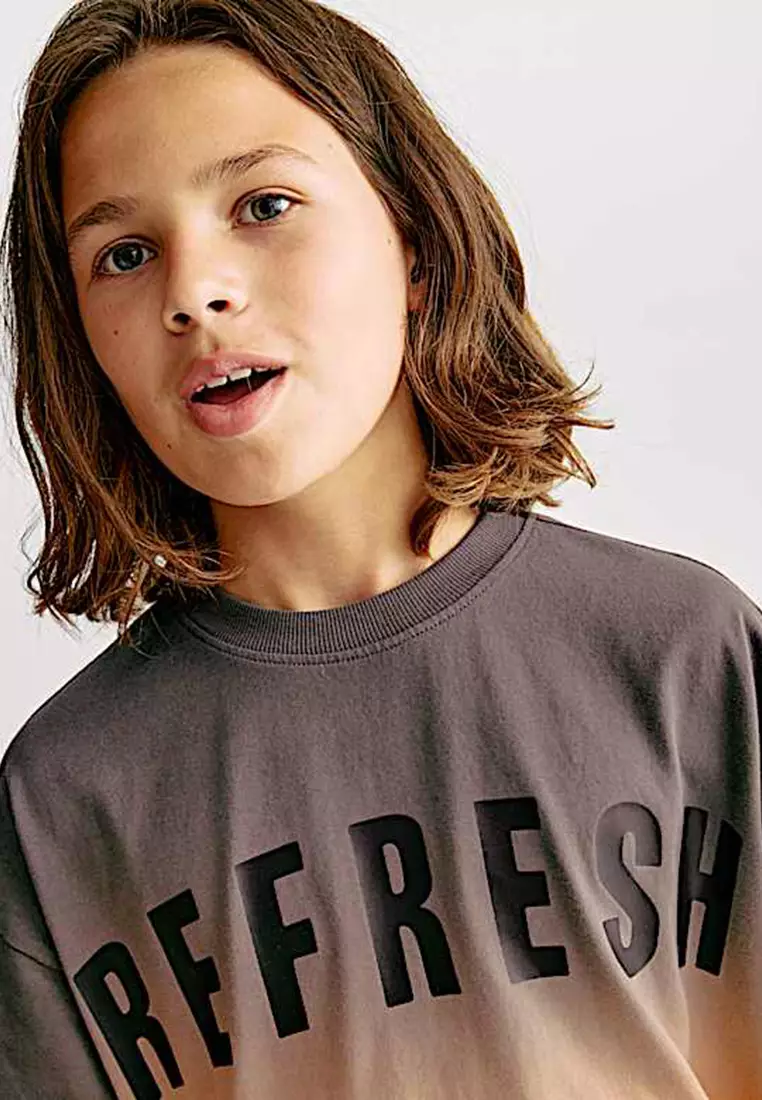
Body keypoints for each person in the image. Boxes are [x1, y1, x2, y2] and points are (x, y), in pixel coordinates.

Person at [0, 1, 759, 1097]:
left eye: (264, 205)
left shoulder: (686, 657)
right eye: (124, 253)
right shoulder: (63, 802)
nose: (195, 293)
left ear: (413, 238)